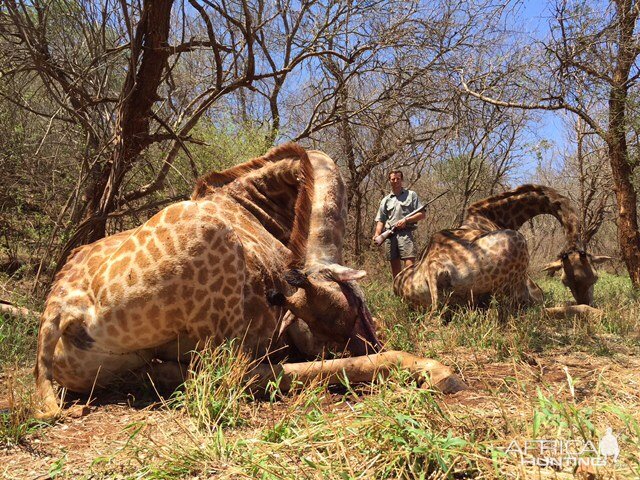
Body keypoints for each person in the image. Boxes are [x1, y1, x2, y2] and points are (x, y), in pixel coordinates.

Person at [373, 170, 426, 278]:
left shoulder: (411, 195)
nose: (395, 181)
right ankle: (398, 292)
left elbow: (422, 214)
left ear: (402, 180)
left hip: (405, 234)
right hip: (390, 235)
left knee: (410, 268)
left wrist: (406, 220)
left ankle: (410, 292)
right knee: (395, 270)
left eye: (398, 179)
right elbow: (381, 220)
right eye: (393, 179)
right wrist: (377, 234)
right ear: (389, 180)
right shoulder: (385, 200)